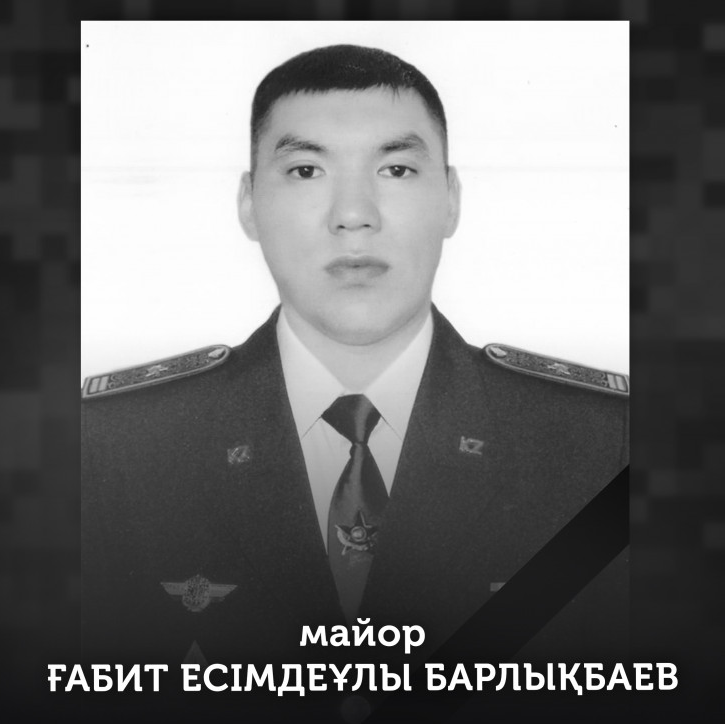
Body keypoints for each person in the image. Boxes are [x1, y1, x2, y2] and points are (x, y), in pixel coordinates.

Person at [81, 45, 629, 669]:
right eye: (305, 170)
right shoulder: (111, 447)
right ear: (248, 202)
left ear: (451, 198)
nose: (353, 216)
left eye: (396, 169)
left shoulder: (601, 444)